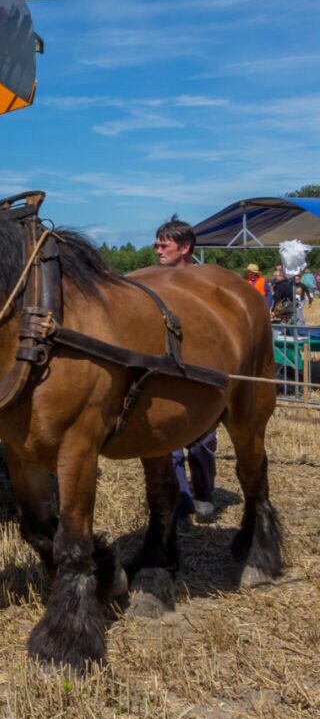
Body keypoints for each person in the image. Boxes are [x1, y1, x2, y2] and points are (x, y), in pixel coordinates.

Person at [154, 216, 217, 522]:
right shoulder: (153, 283)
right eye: (156, 245)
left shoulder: (206, 283)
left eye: (164, 245)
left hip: (201, 372)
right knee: (169, 444)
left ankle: (204, 491)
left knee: (203, 441)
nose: (157, 250)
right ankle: (181, 500)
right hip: (165, 372)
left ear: (185, 248)